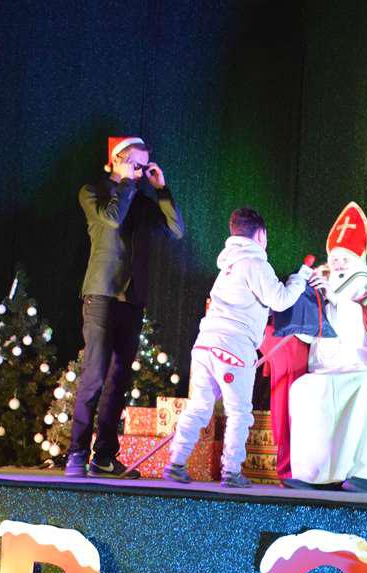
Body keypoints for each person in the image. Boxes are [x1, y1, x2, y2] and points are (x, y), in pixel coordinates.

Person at [161, 208, 316, 487]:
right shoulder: (255, 263)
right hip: (232, 348)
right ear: (261, 235)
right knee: (239, 412)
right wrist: (300, 277)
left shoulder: (228, 267)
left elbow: (256, 304)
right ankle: (231, 471)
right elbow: (280, 299)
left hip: (205, 345)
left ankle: (176, 463)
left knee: (199, 406)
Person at [267, 202, 367, 492]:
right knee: (303, 388)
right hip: (326, 370)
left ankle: (361, 473)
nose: (337, 264)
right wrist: (304, 304)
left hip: (364, 368)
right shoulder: (323, 284)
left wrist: (337, 300)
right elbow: (312, 335)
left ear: (358, 260)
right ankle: (310, 474)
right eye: (334, 258)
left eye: (345, 258)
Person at [65, 136, 185, 478]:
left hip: (132, 300)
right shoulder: (93, 193)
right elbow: (113, 218)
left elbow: (176, 230)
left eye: (144, 167)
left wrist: (161, 190)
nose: (140, 172)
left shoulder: (143, 201)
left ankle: (103, 457)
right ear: (116, 161)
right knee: (94, 375)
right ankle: (76, 453)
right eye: (135, 165)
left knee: (118, 381)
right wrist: (128, 183)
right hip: (102, 294)